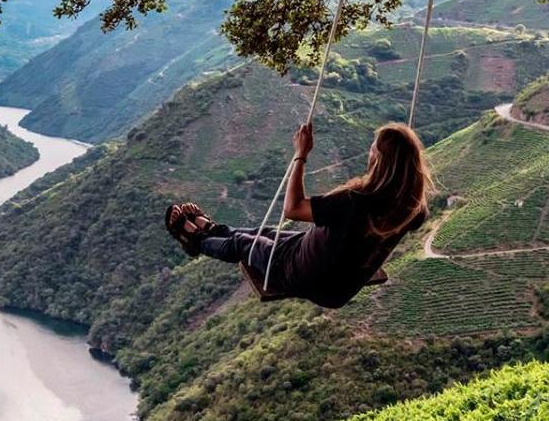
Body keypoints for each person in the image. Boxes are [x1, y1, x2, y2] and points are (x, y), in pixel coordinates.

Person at [165, 122, 432, 309]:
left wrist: (300, 155)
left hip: (303, 273)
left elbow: (293, 208)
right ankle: (213, 230)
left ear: (380, 161)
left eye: (373, 148)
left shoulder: (353, 201)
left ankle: (196, 240)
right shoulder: (412, 208)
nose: (369, 150)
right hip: (336, 279)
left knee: (246, 244)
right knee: (266, 233)